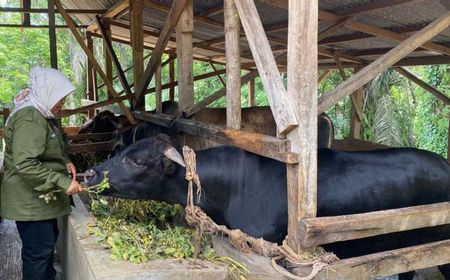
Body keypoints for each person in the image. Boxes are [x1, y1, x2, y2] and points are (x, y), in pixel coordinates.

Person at [0, 67, 83, 280]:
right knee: (38, 253)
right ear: (48, 92)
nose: (62, 102)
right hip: (30, 201)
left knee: (44, 248)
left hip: (39, 201)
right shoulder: (30, 118)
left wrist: (66, 161)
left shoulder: (40, 112)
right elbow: (25, 163)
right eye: (60, 97)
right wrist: (63, 182)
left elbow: (47, 146)